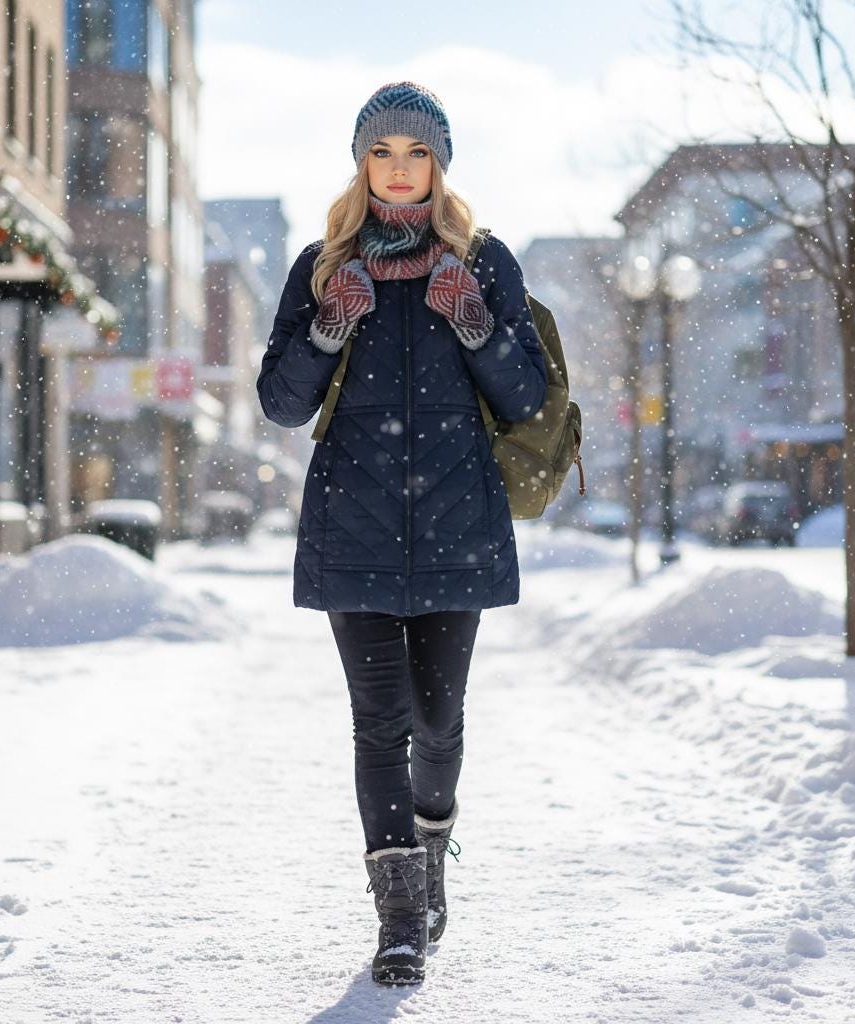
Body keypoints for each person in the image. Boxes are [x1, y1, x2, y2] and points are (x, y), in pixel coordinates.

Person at [256, 81, 546, 986]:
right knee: (379, 726)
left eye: (416, 152)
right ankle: (400, 919)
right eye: (381, 151)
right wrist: (328, 324)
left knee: (437, 721)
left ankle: (432, 843)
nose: (398, 168)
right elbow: (281, 403)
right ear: (361, 163)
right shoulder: (322, 264)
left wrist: (475, 323)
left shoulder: (483, 261)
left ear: (439, 165)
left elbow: (527, 396)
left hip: (458, 524)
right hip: (355, 524)